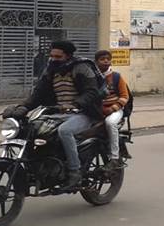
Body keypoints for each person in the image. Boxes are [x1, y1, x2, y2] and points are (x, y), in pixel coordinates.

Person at [17, 40, 104, 187]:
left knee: (64, 131)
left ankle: (74, 171)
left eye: (58, 57)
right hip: (57, 113)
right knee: (31, 128)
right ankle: (39, 166)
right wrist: (23, 107)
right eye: (52, 56)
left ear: (68, 56)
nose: (53, 59)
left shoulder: (81, 67)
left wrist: (75, 104)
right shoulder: (51, 70)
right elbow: (39, 93)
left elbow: (92, 91)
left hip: (83, 113)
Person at [95, 50, 130, 171]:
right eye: (102, 59)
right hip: (97, 111)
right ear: (96, 62)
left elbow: (125, 96)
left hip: (115, 110)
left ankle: (114, 157)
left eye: (108, 59)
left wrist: (113, 108)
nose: (105, 61)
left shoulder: (116, 77)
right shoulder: (92, 77)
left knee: (110, 123)